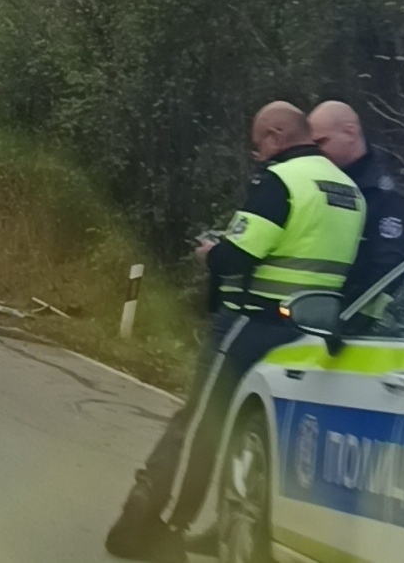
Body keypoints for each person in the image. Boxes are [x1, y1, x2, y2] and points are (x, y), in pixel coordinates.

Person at [105, 102, 366, 563]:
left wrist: (210, 252)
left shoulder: (279, 182)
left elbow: (235, 260)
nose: (256, 156)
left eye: (257, 145)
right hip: (307, 335)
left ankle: (151, 523)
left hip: (252, 323)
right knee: (254, 435)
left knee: (201, 423)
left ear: (276, 135)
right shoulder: (351, 191)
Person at [308, 101, 404, 302]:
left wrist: (345, 305)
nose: (317, 152)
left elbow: (389, 266)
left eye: (321, 142)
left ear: (349, 133)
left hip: (352, 312)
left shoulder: (383, 194)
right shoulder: (316, 179)